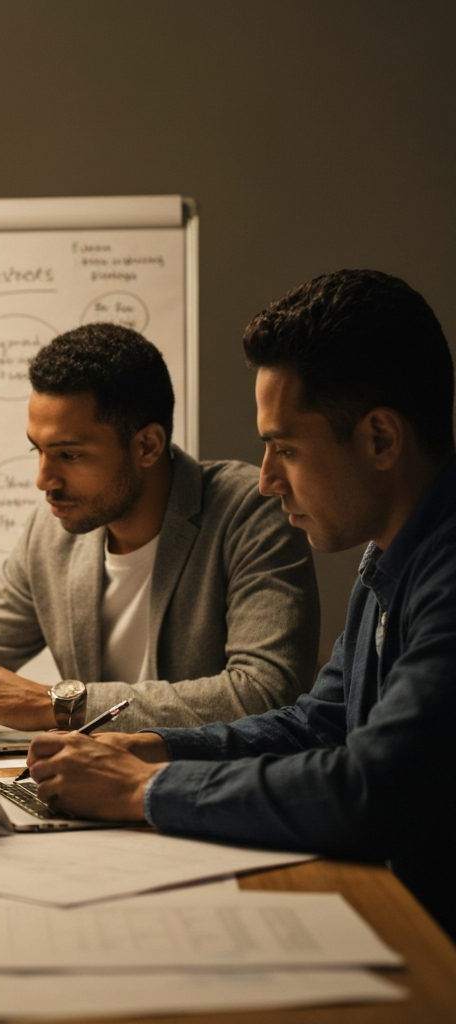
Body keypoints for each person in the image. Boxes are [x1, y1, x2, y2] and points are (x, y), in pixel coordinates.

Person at [26, 270, 456, 938]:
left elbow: (369, 790)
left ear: (379, 439)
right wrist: (152, 749)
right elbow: (317, 725)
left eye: (284, 447)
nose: (267, 479)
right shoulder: (388, 557)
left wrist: (141, 789)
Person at [0, 324, 319, 736]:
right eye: (37, 450)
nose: (43, 479)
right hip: (88, 787)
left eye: (70, 454)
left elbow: (263, 692)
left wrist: (63, 704)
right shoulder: (52, 533)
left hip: (204, 790)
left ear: (147, 446)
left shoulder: (248, 513)